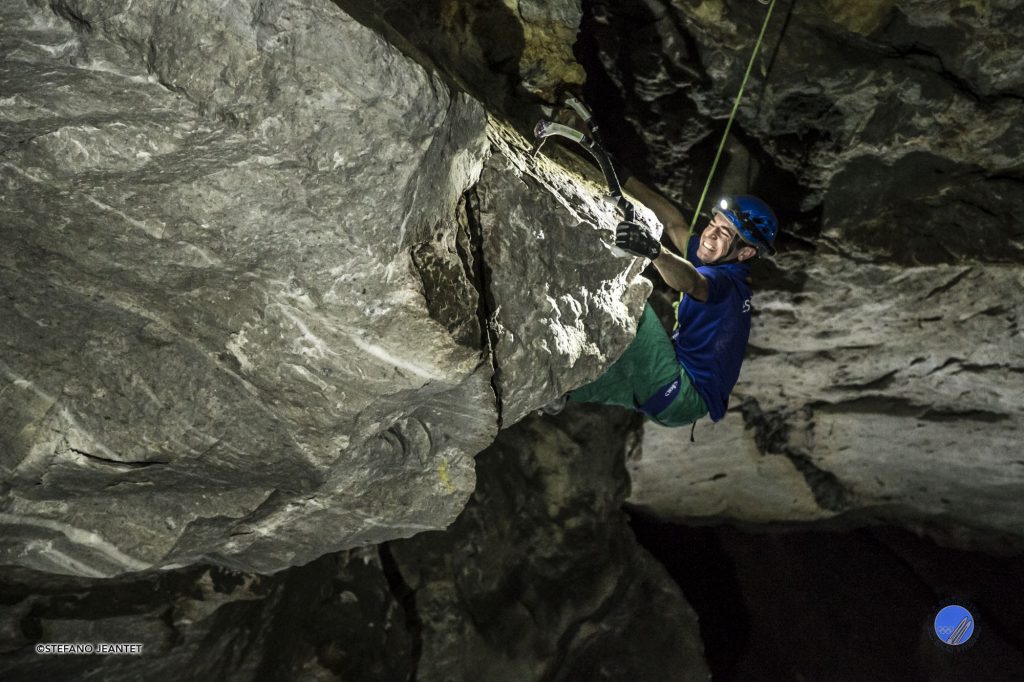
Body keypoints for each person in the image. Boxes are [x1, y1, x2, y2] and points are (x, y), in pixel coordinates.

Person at [565, 178, 778, 428]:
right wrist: (625, 178)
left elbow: (693, 283)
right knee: (577, 381)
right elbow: (673, 223)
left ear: (745, 253)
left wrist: (654, 250)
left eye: (725, 233)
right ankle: (558, 395)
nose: (710, 234)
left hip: (680, 390)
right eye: (713, 223)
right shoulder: (715, 259)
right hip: (671, 405)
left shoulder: (728, 284)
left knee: (632, 297)